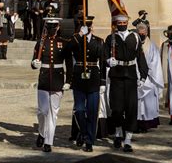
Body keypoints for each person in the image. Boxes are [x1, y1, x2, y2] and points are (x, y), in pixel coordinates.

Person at [105, 14, 149, 153]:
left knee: (131, 108)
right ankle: (118, 133)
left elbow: (140, 57)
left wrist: (143, 76)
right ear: (116, 23)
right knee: (117, 108)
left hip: (130, 76)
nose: (122, 24)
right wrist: (108, 60)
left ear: (127, 23)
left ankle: (128, 139)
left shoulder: (134, 37)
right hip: (117, 75)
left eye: (124, 22)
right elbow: (104, 54)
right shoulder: (111, 38)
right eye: (120, 22)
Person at [31, 17, 73, 153]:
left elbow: (69, 64)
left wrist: (68, 81)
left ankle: (48, 141)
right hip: (44, 79)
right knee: (42, 111)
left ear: (58, 27)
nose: (52, 29)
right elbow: (34, 61)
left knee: (53, 113)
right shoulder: (41, 42)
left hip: (57, 79)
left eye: (54, 26)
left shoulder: (64, 43)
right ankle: (42, 132)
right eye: (49, 26)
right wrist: (34, 64)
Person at [67, 16, 105, 153]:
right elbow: (67, 48)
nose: (88, 28)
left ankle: (89, 140)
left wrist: (103, 82)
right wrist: (80, 35)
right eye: (85, 25)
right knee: (79, 110)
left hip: (93, 79)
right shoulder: (76, 40)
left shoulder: (99, 42)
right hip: (78, 79)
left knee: (92, 111)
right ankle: (83, 133)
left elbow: (103, 62)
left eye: (89, 25)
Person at [135, 22, 163, 132]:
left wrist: (144, 75)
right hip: (136, 79)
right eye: (139, 32)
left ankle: (147, 124)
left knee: (147, 103)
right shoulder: (134, 45)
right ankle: (137, 123)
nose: (142, 34)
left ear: (147, 33)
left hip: (149, 80)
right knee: (137, 105)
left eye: (143, 32)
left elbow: (155, 64)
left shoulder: (152, 47)